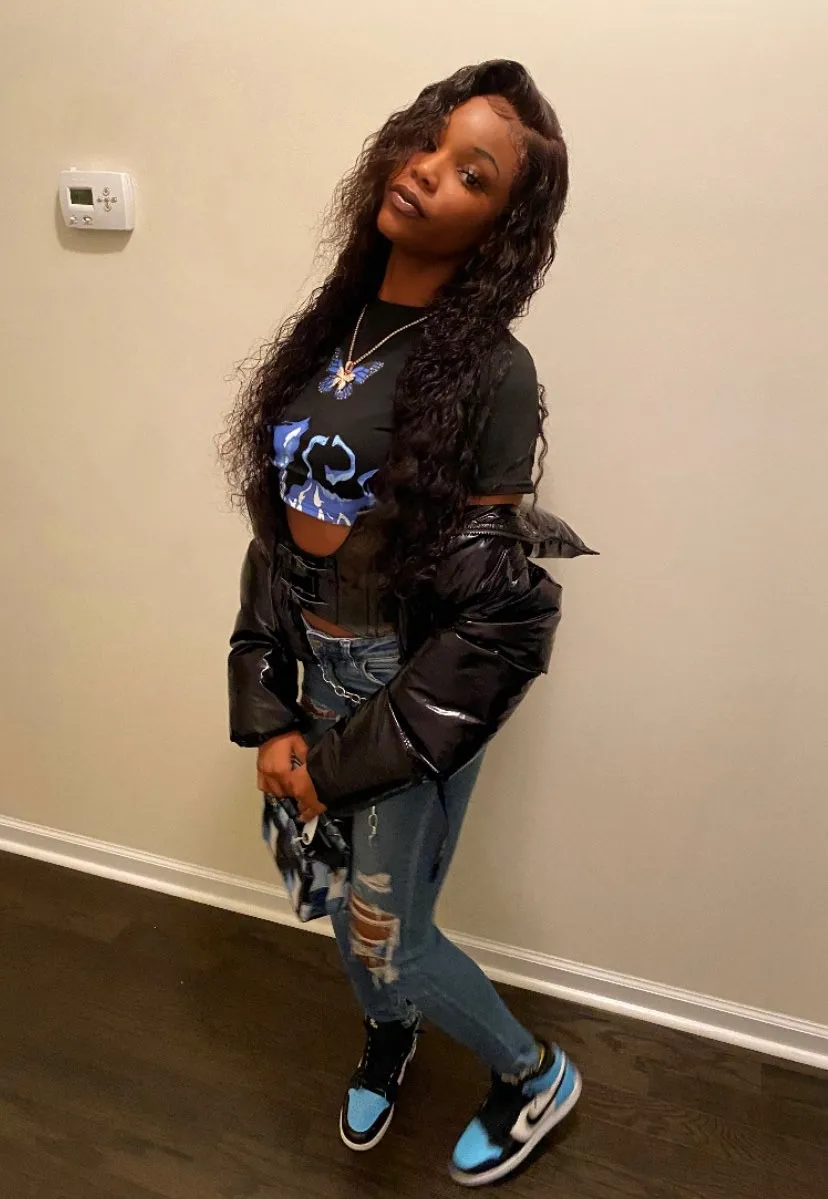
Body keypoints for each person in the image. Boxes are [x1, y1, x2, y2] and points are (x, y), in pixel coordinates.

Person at [222, 59, 593, 1188]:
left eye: (471, 173)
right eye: (428, 141)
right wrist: (270, 709)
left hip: (407, 691)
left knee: (389, 933)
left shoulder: (494, 373)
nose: (429, 172)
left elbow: (490, 626)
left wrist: (334, 763)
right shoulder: (336, 327)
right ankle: (393, 1032)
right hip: (314, 667)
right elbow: (280, 531)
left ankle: (534, 1073)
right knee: (352, 913)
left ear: (501, 227)